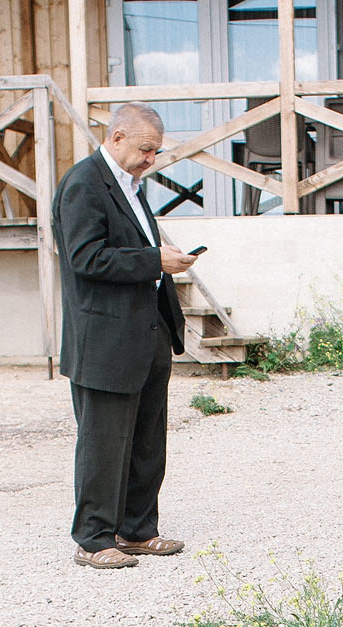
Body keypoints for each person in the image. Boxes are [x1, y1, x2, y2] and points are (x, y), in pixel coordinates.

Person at [55, 103, 199, 571]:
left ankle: (137, 531)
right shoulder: (83, 184)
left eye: (155, 152)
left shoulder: (132, 187)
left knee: (146, 440)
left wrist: (161, 258)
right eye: (144, 150)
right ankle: (93, 540)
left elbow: (129, 249)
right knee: (103, 442)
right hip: (104, 340)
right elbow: (86, 259)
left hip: (147, 332)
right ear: (117, 137)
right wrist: (154, 261)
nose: (150, 160)